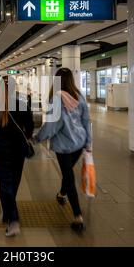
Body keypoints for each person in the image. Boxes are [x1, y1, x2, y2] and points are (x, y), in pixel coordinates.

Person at [33, 68, 92, 232]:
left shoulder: (57, 98)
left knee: (68, 175)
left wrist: (37, 138)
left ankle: (78, 216)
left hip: (64, 146)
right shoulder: (78, 96)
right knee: (68, 173)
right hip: (79, 144)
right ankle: (61, 194)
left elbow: (52, 125)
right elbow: (87, 121)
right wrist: (88, 143)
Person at [0, 76, 34, 237]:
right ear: (14, 88)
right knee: (13, 183)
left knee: (4, 183)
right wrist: (24, 136)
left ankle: (13, 220)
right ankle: (7, 213)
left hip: (0, 150)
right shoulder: (22, 105)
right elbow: (30, 126)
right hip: (18, 151)